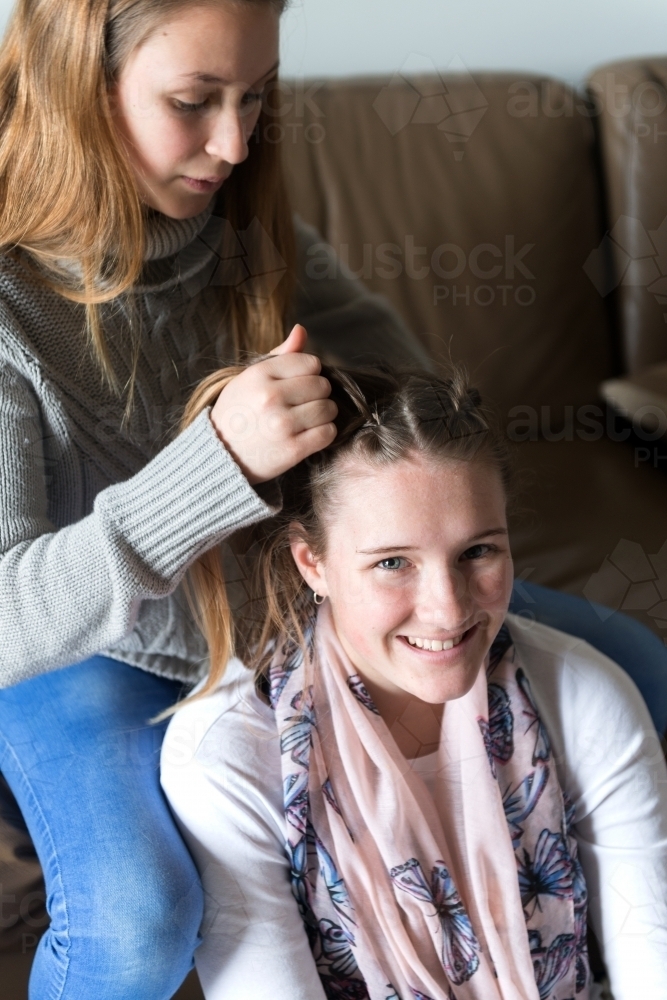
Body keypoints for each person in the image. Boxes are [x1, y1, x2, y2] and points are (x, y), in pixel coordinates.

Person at [0, 1, 665, 998]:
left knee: (641, 667)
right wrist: (213, 463)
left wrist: (385, 505)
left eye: (255, 98)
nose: (233, 142)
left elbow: (416, 403)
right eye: (193, 101)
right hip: (85, 640)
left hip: (289, 599)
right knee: (136, 924)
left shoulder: (241, 228)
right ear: (77, 89)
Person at [162, 363, 667, 1000]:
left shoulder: (586, 696)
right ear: (312, 562)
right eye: (393, 563)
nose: (449, 609)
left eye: (478, 552)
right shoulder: (227, 757)